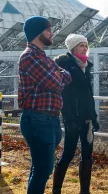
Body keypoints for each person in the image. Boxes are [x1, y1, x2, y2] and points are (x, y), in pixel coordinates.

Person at [18, 16, 72, 194]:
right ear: (37, 33)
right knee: (43, 170)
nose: (52, 33)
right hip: (38, 119)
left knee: (40, 169)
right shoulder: (29, 56)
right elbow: (56, 82)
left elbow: (67, 75)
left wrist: (57, 74)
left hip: (49, 119)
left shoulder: (42, 57)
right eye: (48, 29)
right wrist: (57, 74)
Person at [52, 34, 100, 194]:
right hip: (73, 118)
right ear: (73, 48)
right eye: (81, 45)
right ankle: (56, 189)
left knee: (87, 154)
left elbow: (88, 95)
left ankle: (84, 191)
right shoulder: (65, 65)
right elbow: (63, 94)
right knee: (68, 153)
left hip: (87, 119)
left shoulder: (85, 66)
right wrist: (68, 118)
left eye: (86, 45)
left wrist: (94, 117)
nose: (85, 48)